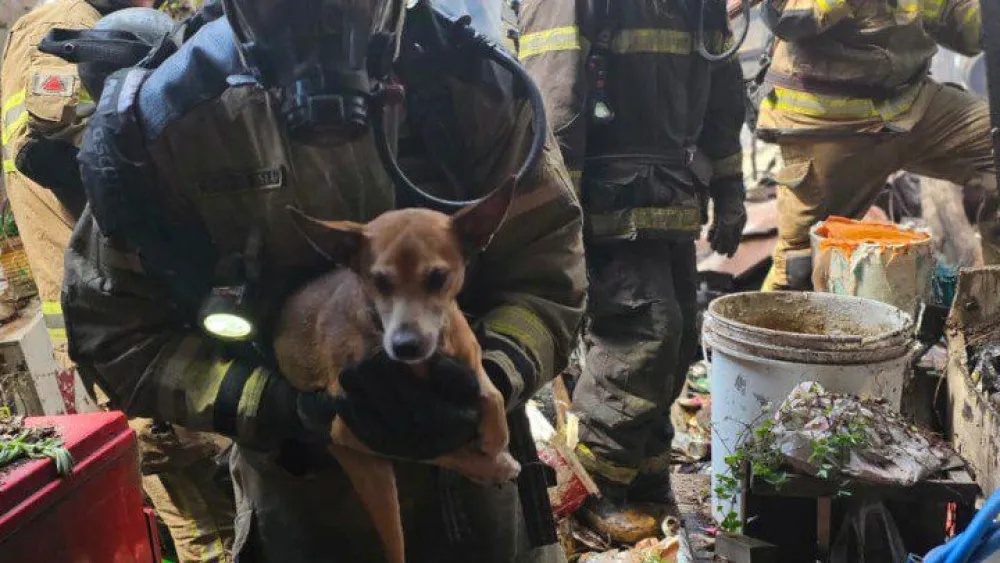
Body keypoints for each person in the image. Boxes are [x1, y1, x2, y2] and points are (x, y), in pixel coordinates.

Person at [62, 0, 586, 561]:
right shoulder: (169, 122)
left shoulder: (470, 87)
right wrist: (284, 407)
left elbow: (547, 281)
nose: (320, 18)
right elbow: (118, 338)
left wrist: (483, 382)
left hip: (483, 503)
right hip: (308, 504)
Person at [0, 2, 236, 561]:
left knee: (211, 496)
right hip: (131, 312)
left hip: (128, 304)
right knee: (206, 514)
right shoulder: (63, 26)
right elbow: (50, 144)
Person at [519, 0, 748, 543]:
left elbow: (723, 93)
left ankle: (643, 476)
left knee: (678, 340)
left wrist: (730, 189)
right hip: (603, 204)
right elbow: (554, 104)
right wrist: (560, 221)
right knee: (645, 334)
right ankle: (590, 486)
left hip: (669, 197)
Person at [755, 0, 995, 290]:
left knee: (994, 146)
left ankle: (991, 307)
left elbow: (959, 22)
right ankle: (766, 318)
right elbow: (789, 18)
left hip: (909, 103)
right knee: (801, 268)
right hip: (830, 120)